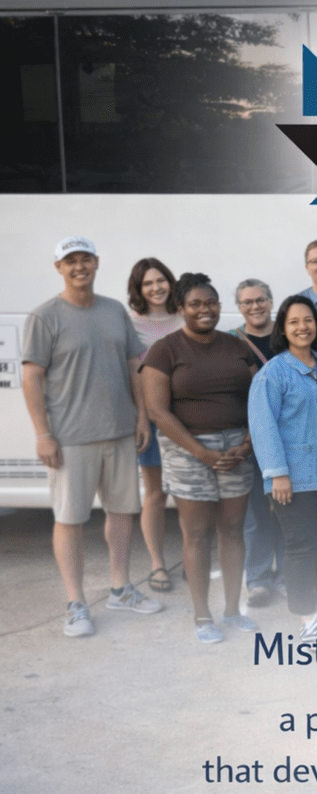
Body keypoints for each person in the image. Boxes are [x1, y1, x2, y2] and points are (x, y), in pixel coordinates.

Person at [23, 236, 162, 637]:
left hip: (119, 434)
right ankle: (76, 603)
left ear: (97, 263)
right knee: (69, 520)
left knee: (121, 513)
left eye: (85, 259)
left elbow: (133, 364)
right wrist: (42, 434)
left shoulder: (115, 310)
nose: (79, 266)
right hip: (70, 439)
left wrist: (139, 416)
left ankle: (120, 588)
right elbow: (32, 377)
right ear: (59, 268)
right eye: (71, 261)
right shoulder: (45, 316)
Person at [142, 273, 261, 644]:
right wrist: (202, 453)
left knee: (232, 530)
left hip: (237, 449)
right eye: (194, 304)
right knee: (196, 534)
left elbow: (262, 401)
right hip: (187, 449)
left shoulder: (237, 345)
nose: (204, 309)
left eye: (210, 302)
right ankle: (202, 616)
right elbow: (158, 411)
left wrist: (246, 446)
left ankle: (232, 610)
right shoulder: (165, 349)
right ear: (180, 309)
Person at [247, 296, 317, 643]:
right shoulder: (274, 373)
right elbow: (263, 426)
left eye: (308, 320)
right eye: (293, 322)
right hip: (295, 478)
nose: (302, 327)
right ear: (283, 328)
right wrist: (277, 473)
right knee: (301, 546)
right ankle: (306, 616)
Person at [125, 257, 183, 594]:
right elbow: (131, 377)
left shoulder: (184, 317)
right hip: (152, 420)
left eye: (160, 280)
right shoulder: (132, 325)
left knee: (192, 495)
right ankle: (158, 563)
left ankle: (194, 557)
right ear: (138, 289)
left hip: (188, 418)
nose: (156, 287)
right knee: (156, 495)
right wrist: (141, 418)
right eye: (148, 283)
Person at [229, 279, 283, 607]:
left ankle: (292, 575)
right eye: (247, 302)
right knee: (257, 512)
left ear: (271, 300)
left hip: (291, 434)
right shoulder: (232, 343)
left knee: (292, 510)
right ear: (239, 307)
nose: (255, 306)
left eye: (260, 299)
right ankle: (259, 578)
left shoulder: (290, 332)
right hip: (252, 435)